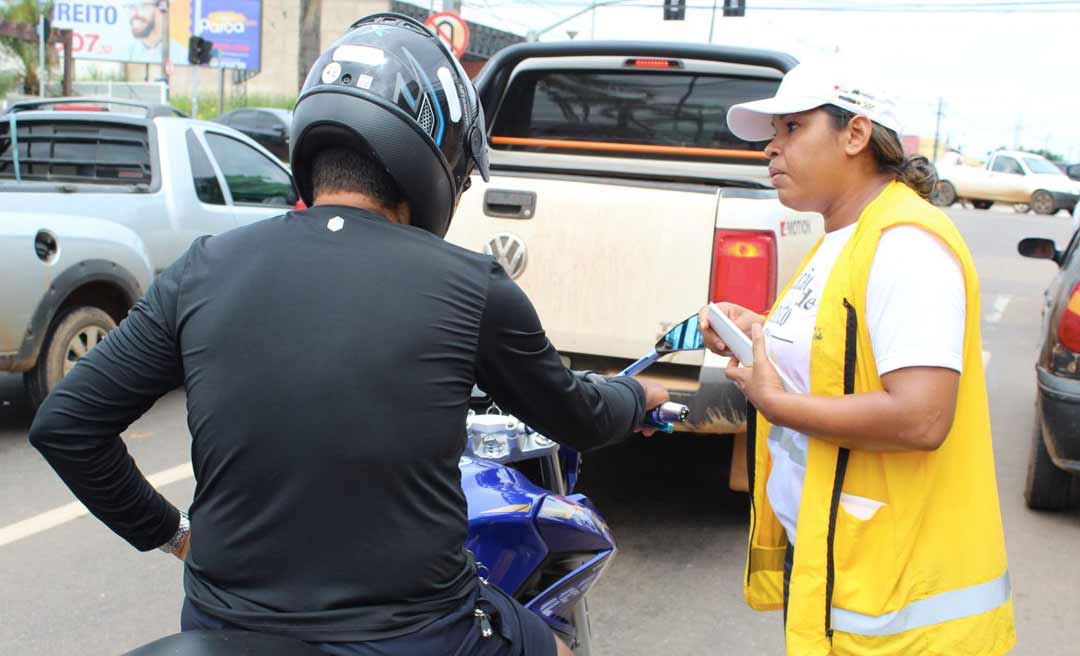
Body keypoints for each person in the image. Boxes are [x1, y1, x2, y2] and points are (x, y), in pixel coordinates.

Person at [29, 14, 667, 656]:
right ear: (438, 157)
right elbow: (580, 416)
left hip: (225, 630)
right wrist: (638, 397)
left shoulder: (202, 270)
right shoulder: (470, 287)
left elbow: (66, 425)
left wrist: (174, 535)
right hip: (418, 637)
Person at [699, 59, 1015, 655]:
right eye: (773, 133)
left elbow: (921, 417)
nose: (771, 149)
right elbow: (840, 354)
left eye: (792, 128)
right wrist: (759, 333)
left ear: (856, 135)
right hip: (838, 559)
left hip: (897, 601)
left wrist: (777, 403)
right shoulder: (840, 237)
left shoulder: (905, 247)